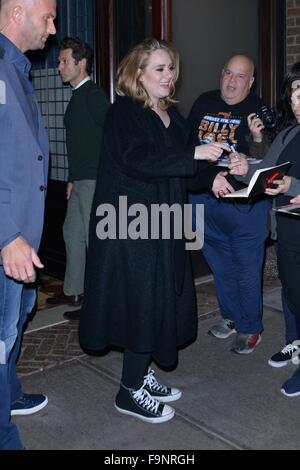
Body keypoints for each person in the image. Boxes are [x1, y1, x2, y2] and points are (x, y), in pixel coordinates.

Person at [78, 39, 242, 424]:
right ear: (138, 74)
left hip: (164, 225)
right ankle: (129, 391)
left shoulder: (172, 115)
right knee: (143, 306)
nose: (169, 76)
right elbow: (139, 161)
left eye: (171, 69)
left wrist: (217, 173)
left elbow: (185, 169)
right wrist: (194, 155)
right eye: (160, 69)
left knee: (160, 302)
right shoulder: (124, 114)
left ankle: (139, 375)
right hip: (129, 228)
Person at [0, 0, 56, 450]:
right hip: (7, 240)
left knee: (13, 329)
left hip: (23, 239)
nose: (53, 29)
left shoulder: (15, 67)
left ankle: (11, 395)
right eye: (48, 17)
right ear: (18, 13)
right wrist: (6, 235)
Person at [188, 54, 271, 354]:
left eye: (240, 76)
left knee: (247, 267)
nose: (231, 81)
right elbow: (188, 147)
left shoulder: (257, 109)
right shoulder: (203, 102)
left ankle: (250, 326)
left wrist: (255, 144)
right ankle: (232, 317)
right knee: (219, 265)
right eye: (227, 73)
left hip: (243, 204)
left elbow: (267, 157)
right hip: (204, 199)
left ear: (250, 82)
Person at [232, 75, 300, 396]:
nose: (297, 102)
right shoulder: (288, 133)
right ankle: (294, 343)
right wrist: (242, 162)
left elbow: (290, 183)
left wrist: (294, 186)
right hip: (288, 228)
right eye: (294, 94)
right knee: (291, 290)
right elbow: (266, 170)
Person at [46, 37, 110, 321]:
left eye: (63, 61)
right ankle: (75, 290)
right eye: (59, 61)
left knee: (92, 240)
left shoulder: (93, 95)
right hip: (81, 180)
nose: (59, 66)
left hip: (95, 181)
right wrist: (72, 178)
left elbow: (114, 135)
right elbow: (79, 144)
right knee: (72, 232)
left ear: (81, 63)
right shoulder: (77, 97)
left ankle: (97, 302)